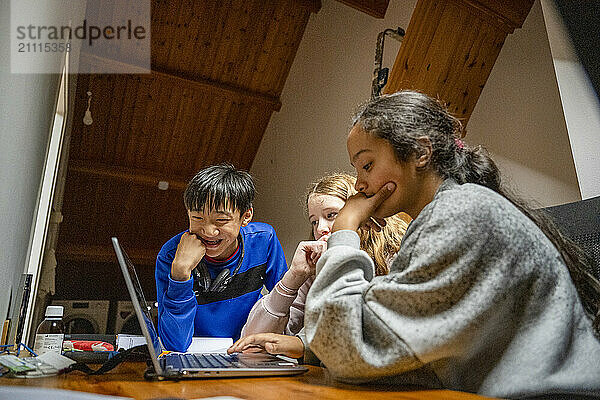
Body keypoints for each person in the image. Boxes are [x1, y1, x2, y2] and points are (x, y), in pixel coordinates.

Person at [300, 91, 600, 398]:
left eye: (367, 166)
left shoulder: (461, 214)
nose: (360, 184)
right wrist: (308, 345)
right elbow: (407, 347)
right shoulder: (442, 216)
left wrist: (345, 231)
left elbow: (347, 350)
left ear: (420, 152)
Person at [238, 173, 409, 337]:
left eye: (331, 215)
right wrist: (293, 277)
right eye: (314, 221)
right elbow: (253, 339)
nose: (320, 228)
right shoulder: (316, 269)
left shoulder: (396, 257)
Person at [155, 164, 288, 352]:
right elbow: (174, 345)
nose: (209, 231)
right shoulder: (171, 255)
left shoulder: (263, 240)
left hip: (244, 351)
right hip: (194, 355)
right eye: (197, 218)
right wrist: (180, 274)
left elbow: (286, 304)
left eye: (221, 220)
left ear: (246, 215)